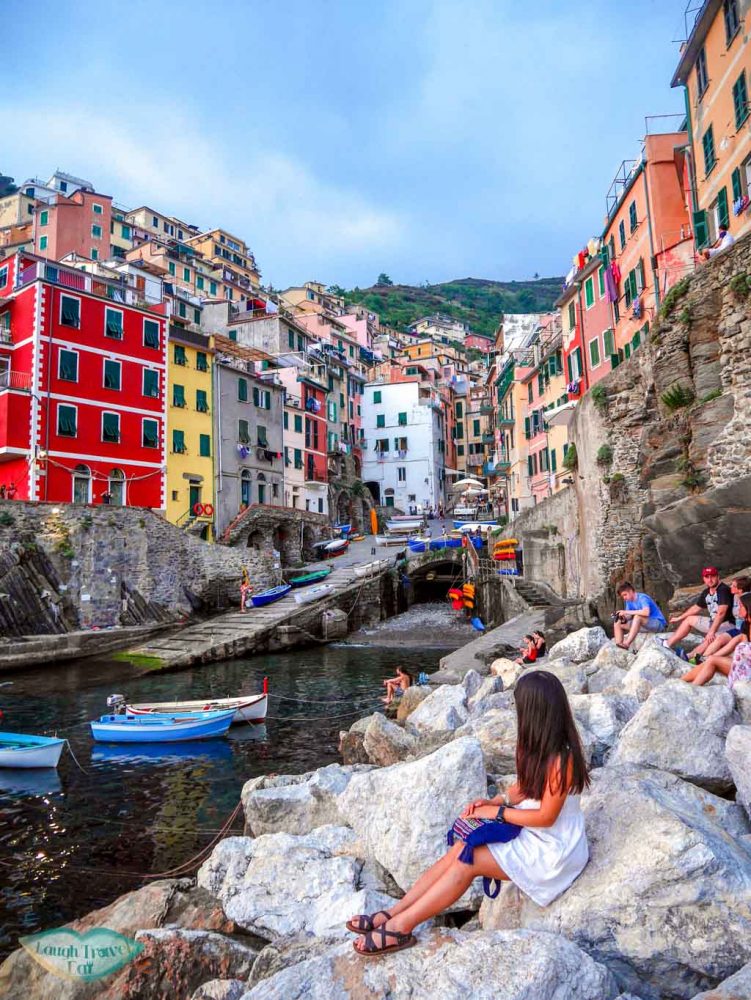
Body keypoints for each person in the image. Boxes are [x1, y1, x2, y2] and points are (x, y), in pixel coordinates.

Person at [348, 671, 590, 956]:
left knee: (468, 860)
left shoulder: (562, 759)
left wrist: (498, 813)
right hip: (535, 832)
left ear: (534, 711)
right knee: (460, 848)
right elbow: (525, 789)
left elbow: (546, 817)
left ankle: (401, 928)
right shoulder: (538, 746)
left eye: (518, 706)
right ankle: (392, 913)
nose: (515, 711)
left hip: (553, 849)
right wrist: (493, 801)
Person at [660, 567, 734, 656]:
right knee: (689, 619)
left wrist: (711, 632)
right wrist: (679, 617)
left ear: (718, 577)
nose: (710, 580)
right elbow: (696, 608)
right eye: (707, 577)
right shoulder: (706, 592)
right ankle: (667, 644)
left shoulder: (723, 590)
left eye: (712, 577)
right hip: (713, 622)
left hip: (726, 625)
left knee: (710, 639)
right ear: (703, 579)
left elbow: (721, 613)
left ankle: (689, 656)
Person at [681, 593, 751, 686]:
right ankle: (683, 682)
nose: (738, 609)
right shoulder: (745, 625)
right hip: (743, 667)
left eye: (741, 606)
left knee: (713, 660)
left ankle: (690, 687)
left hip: (747, 673)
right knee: (712, 660)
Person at [688, 575, 751, 663]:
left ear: (740, 589)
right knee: (720, 638)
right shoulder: (736, 597)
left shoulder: (747, 600)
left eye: (733, 586)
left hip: (743, 629)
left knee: (731, 640)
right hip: (738, 628)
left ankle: (705, 659)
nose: (730, 587)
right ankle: (702, 659)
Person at [613, 582, 667, 649]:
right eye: (623, 596)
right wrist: (622, 617)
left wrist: (626, 611)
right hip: (644, 626)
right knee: (617, 622)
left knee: (637, 617)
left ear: (631, 591)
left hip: (658, 624)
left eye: (625, 595)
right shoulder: (628, 601)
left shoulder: (642, 598)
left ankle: (626, 644)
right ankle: (619, 645)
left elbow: (646, 612)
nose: (624, 598)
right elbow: (629, 616)